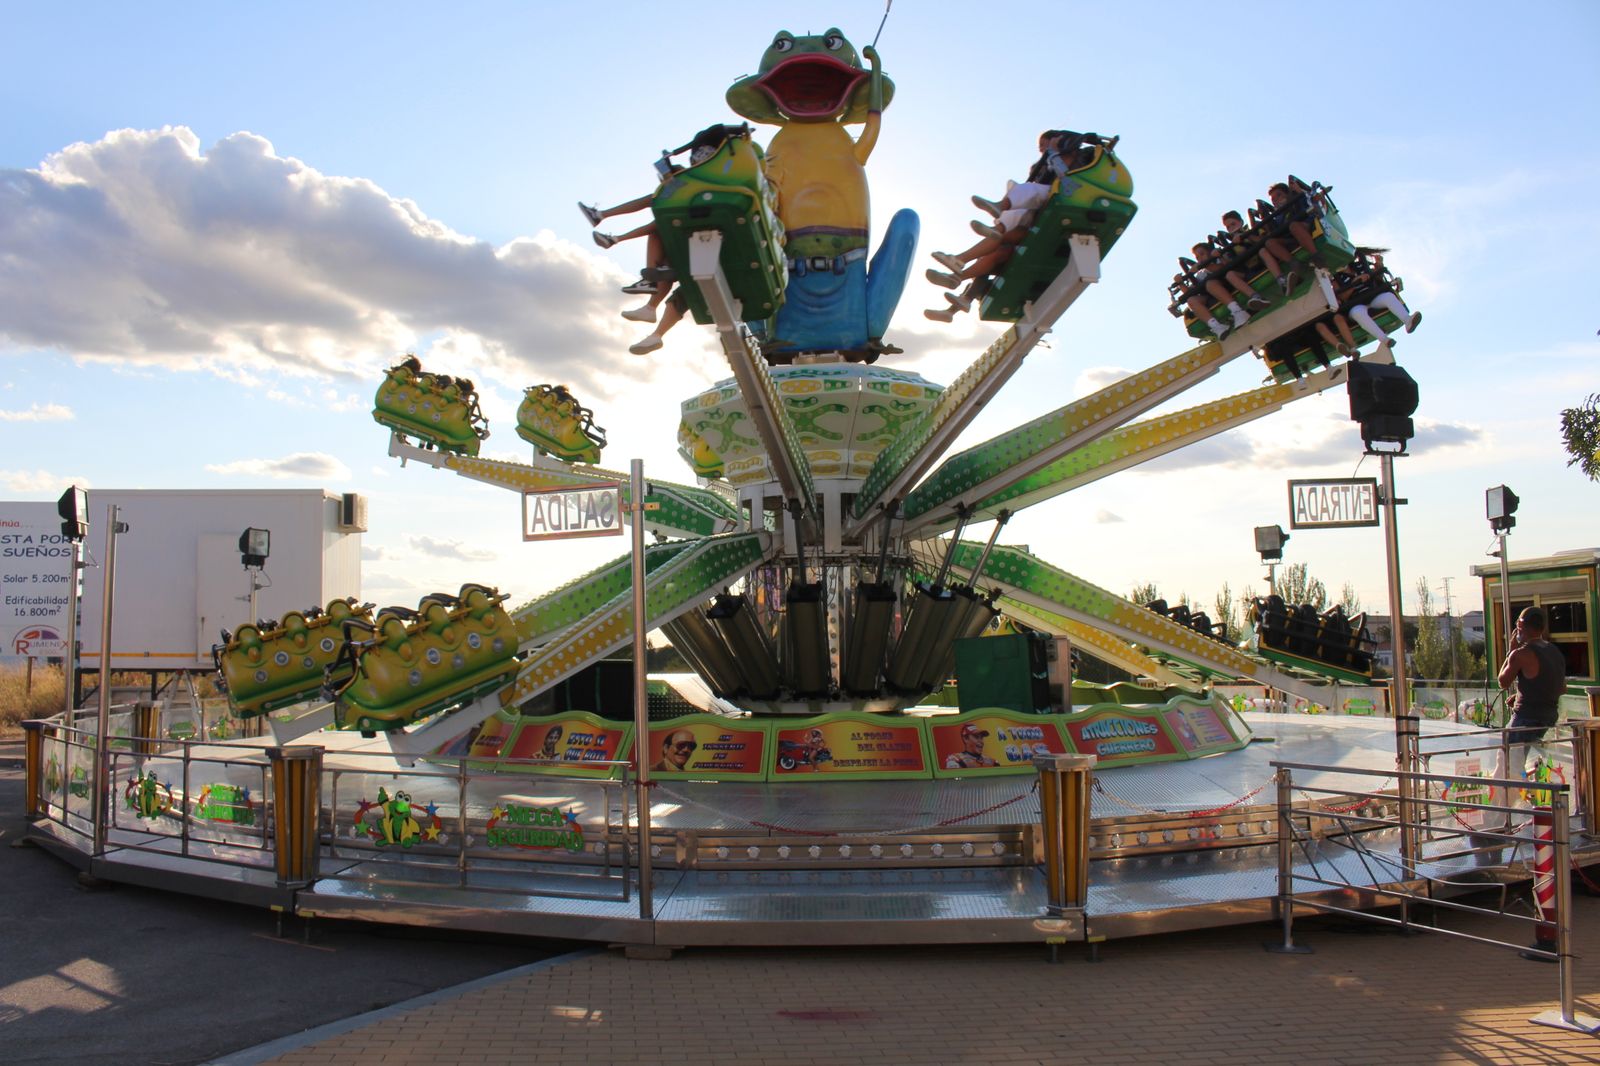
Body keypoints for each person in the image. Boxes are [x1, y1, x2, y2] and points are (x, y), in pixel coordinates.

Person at [1491, 607, 1567, 831]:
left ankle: (1500, 817)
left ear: (1521, 626)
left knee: (1506, 764)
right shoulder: (1554, 652)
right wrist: (1523, 695)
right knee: (1517, 764)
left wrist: (1511, 651)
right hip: (1547, 717)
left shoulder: (1521, 653)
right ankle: (1517, 807)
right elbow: (1560, 687)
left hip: (1525, 719)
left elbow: (1502, 681)